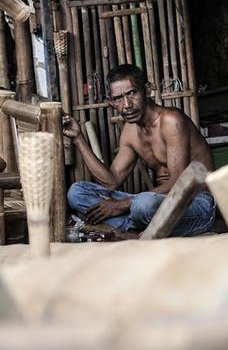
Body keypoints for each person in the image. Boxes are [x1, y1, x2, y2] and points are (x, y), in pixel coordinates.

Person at [63, 64, 216, 236]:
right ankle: (139, 226)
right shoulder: (130, 131)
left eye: (132, 94)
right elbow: (111, 181)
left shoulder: (171, 121)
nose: (127, 104)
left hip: (195, 204)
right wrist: (78, 138)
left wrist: (121, 205)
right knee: (77, 192)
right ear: (110, 102)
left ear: (148, 90)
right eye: (118, 98)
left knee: (142, 204)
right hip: (157, 205)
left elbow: (179, 184)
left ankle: (132, 225)